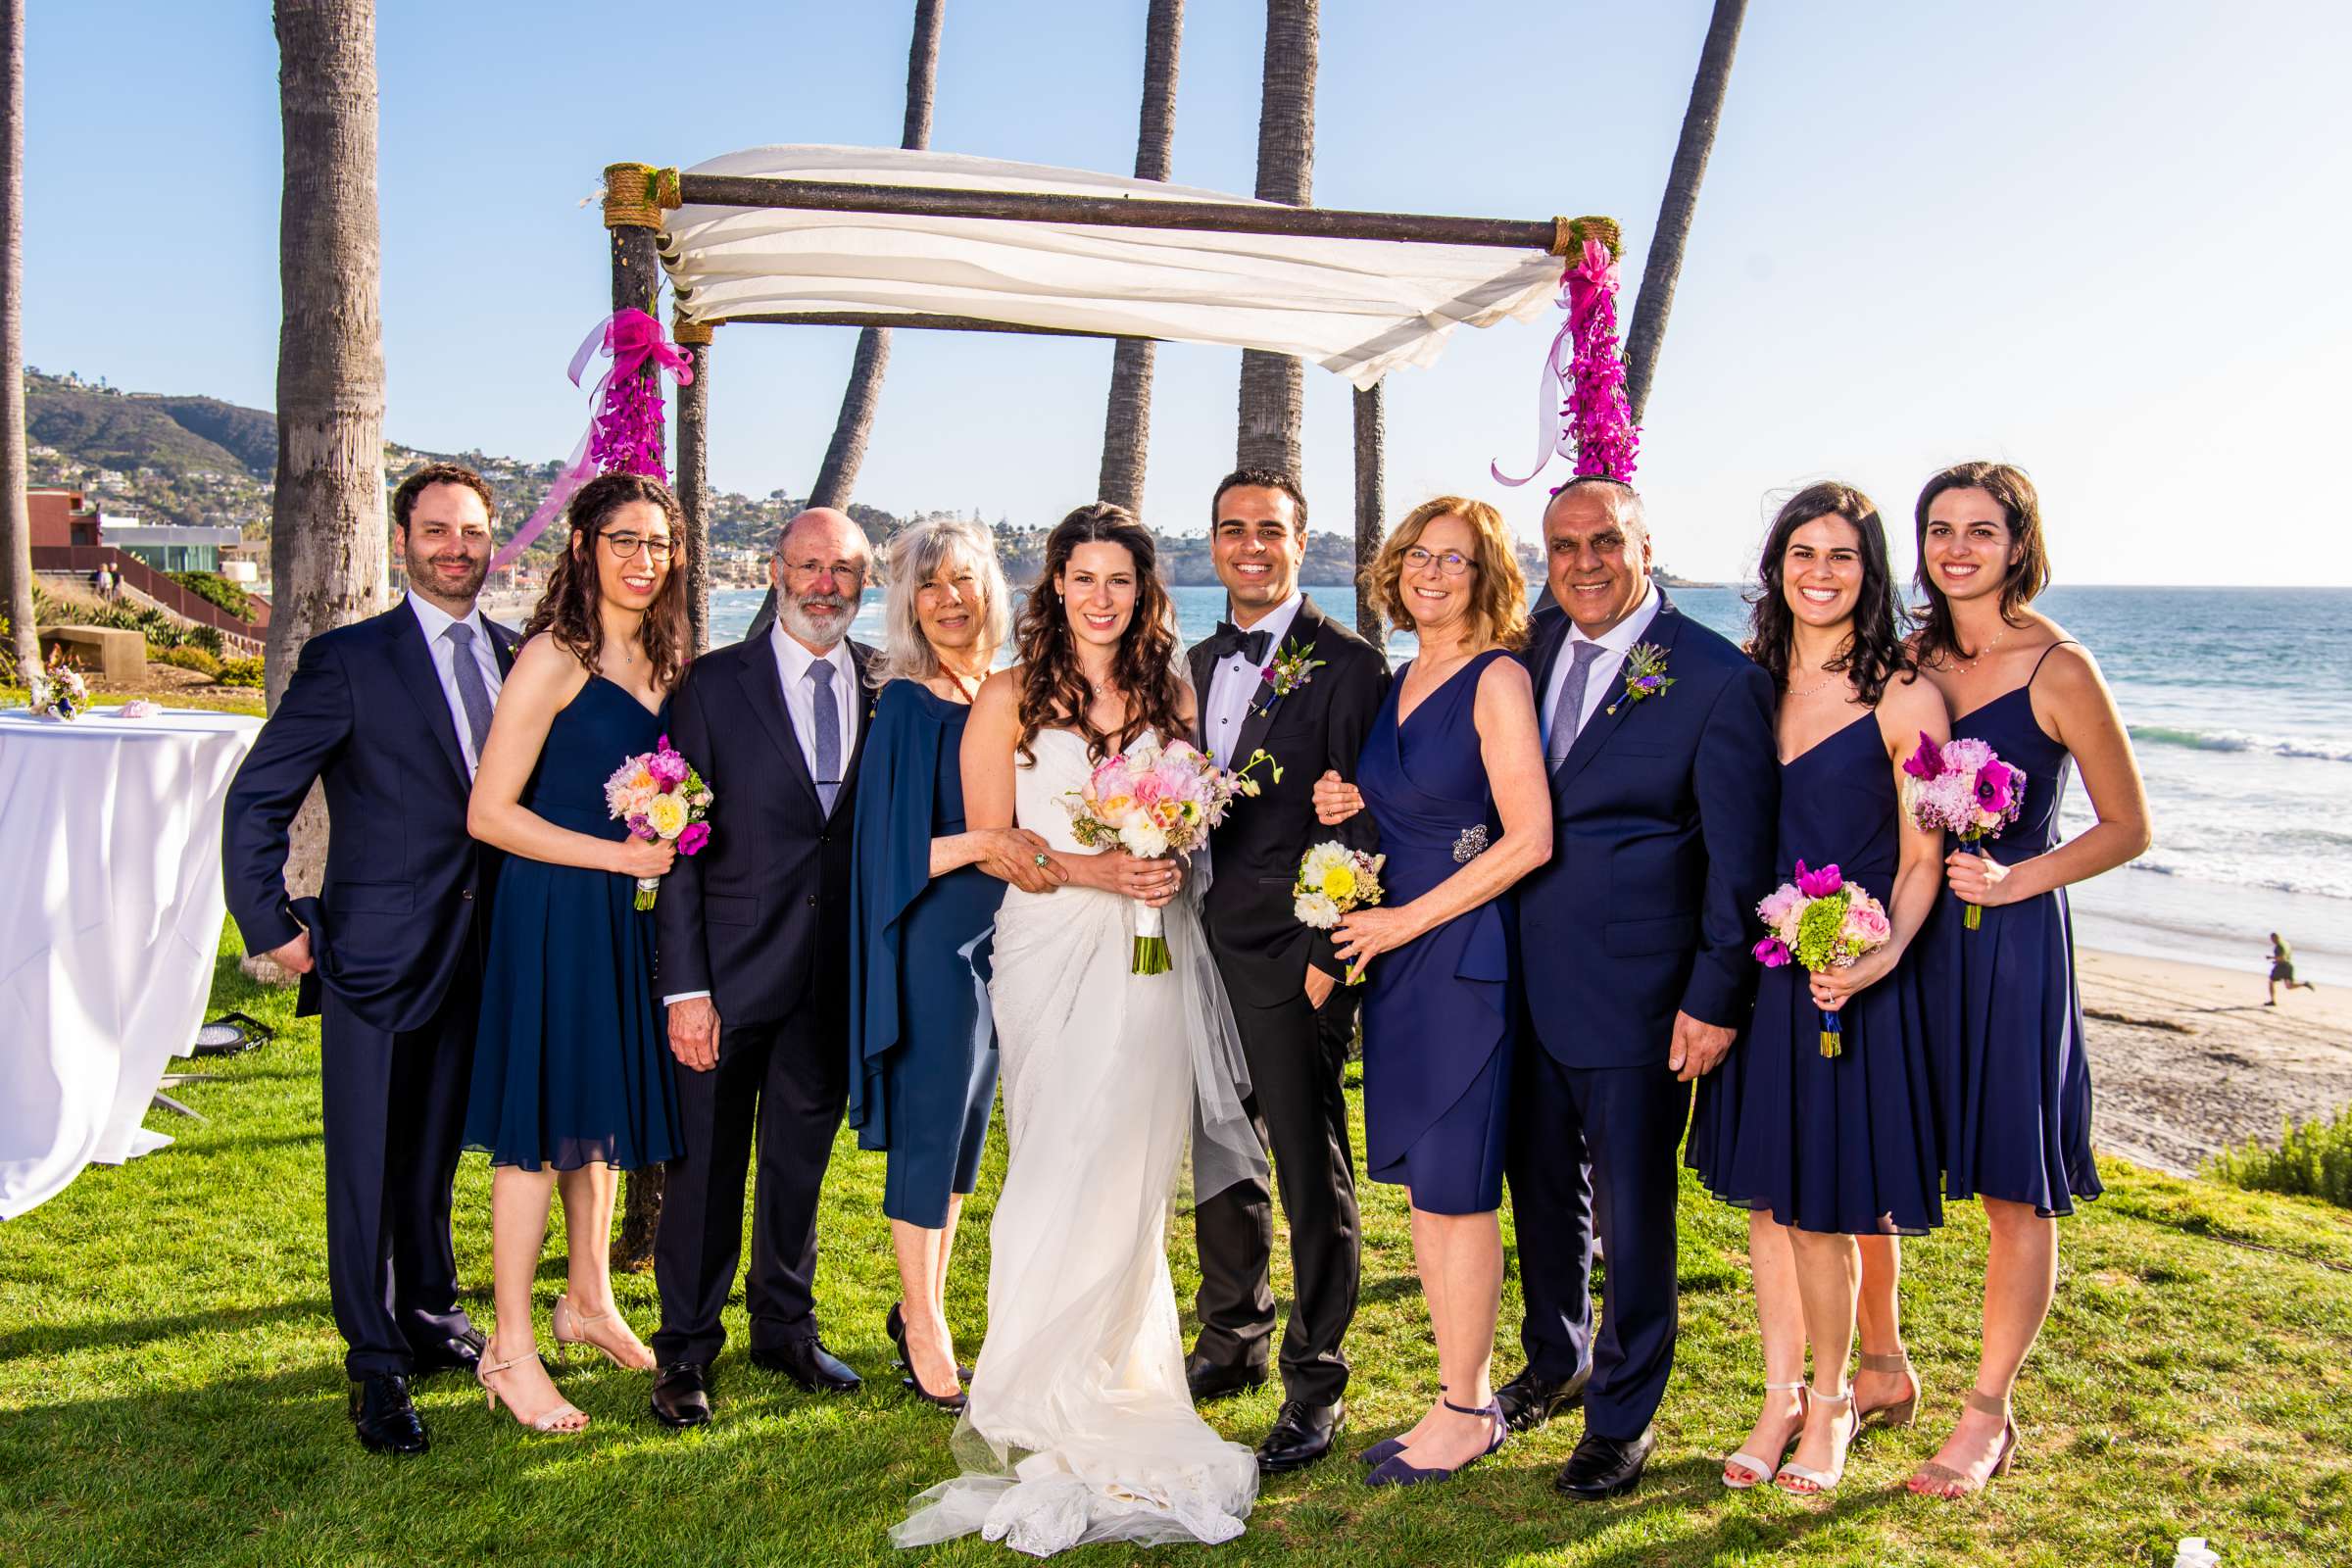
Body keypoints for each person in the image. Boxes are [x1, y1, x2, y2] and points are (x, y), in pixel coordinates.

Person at [1330, 477, 1777, 1497]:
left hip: (1639, 991)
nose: (1585, 560)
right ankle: (1554, 1358)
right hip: (1507, 977)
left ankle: (1624, 1414)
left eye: (1606, 540)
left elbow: (1739, 862)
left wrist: (1714, 996)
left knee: (1633, 1207)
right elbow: (1461, 780)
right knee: (1540, 1194)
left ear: (1646, 545)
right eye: (1565, 543)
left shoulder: (1712, 677)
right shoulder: (1521, 649)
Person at [893, 504, 1261, 1556]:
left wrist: (1169, 853)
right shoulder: (1008, 696)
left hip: (1149, 950)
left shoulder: (1169, 689)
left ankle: (1121, 1363)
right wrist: (1101, 866)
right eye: (1082, 577)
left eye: (1120, 580)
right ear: (1055, 585)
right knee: (1057, 1154)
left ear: (1146, 591)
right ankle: (1032, 1374)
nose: (1101, 597)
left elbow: (1191, 816)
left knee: (1135, 1162)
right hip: (1048, 947)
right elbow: (996, 842)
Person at [220, 462, 514, 1454]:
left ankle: (430, 1315)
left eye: (472, 532)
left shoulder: (521, 657)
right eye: (437, 531)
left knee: (434, 1150)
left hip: (489, 951)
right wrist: (268, 922)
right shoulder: (349, 660)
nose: (456, 549)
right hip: (376, 952)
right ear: (403, 541)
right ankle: (374, 1364)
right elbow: (257, 795)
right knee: (366, 1164)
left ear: (493, 540)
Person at [1685, 483, 1947, 1494]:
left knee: (1825, 1208)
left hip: (1849, 985)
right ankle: (1779, 1391)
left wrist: (1878, 958)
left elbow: (1922, 862)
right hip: (1762, 981)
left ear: (1870, 572)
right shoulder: (1745, 682)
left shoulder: (1904, 694)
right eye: (1804, 552)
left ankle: (1834, 1404)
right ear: (1777, 566)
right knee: (1766, 1200)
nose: (1821, 573)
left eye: (1843, 556)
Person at [1906, 461, 2150, 1497]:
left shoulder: (2059, 666)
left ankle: (1986, 1413)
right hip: (1913, 942)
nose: (1958, 547)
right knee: (1888, 1164)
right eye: (1940, 528)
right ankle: (1879, 1370)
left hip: (2010, 951)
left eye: (1981, 530)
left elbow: (2129, 826)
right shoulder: (1910, 658)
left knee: (2014, 1190)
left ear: (2019, 543)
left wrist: (2015, 880)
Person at [1298, 497, 1550, 1489]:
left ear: (1486, 575)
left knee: (1459, 1190)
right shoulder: (1404, 678)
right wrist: (1350, 798)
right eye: (1417, 556)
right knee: (1429, 1201)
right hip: (1400, 964)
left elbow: (1528, 837)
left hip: (1462, 962)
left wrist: (1402, 922)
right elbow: (1418, 800)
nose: (1432, 573)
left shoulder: (1498, 679)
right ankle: (1460, 1393)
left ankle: (1467, 1408)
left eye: (1455, 558)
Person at [462, 472, 690, 1434]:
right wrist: (614, 852)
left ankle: (587, 1299)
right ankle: (508, 1348)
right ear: (583, 547)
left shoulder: (662, 657)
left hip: (623, 916)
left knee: (593, 1116)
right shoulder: (557, 655)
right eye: (623, 540)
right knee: (536, 1129)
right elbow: (488, 811)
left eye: (657, 543)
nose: (643, 559)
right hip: (554, 910)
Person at [649, 508, 876, 1429]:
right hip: (728, 977)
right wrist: (686, 987)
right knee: (704, 1171)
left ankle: (784, 1327)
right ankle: (684, 1353)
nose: (825, 584)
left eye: (845, 569)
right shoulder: (710, 686)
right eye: (809, 565)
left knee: (797, 1165)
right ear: (776, 572)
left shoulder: (886, 684)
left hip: (830, 978)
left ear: (865, 583)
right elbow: (673, 843)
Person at [1182, 467, 1390, 1474]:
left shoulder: (1350, 665)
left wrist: (1328, 954)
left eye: (1270, 530)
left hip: (1294, 951)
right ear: (1213, 542)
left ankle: (1316, 1377)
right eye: (1233, 530)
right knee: (1219, 1150)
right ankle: (1232, 1337)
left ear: (1301, 543)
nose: (1250, 546)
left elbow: (1367, 818)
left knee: (1311, 1166)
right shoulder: (1191, 660)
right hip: (1200, 943)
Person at [846, 518, 1061, 1412]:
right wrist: (989, 842)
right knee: (931, 1130)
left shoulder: (1010, 691)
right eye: (926, 586)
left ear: (990, 591)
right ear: (907, 603)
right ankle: (924, 1324)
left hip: (1011, 939)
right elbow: (885, 851)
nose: (945, 600)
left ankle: (922, 1307)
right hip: (938, 940)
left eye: (961, 581)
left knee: (968, 1135)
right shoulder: (906, 703)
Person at [2268, 934, 2317, 1004]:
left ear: (2275, 938)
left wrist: (2273, 958)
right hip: (2289, 966)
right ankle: (2304, 984)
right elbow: (2286, 955)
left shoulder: (2279, 946)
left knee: (2271, 981)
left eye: (2272, 939)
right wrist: (2275, 959)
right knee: (2289, 986)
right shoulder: (2286, 943)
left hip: (2281, 967)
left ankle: (2273, 1001)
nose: (2272, 941)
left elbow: (2282, 958)